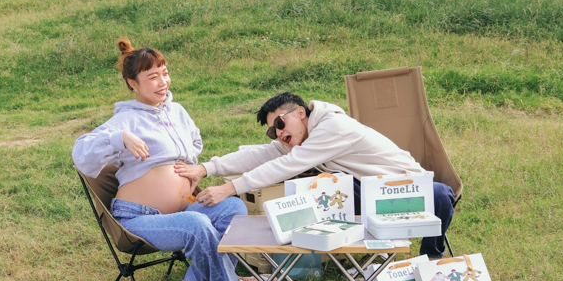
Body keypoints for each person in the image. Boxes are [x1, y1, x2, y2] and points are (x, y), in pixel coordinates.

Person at [72, 39, 258, 281]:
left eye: (165, 73)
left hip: (184, 208)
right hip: (139, 218)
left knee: (234, 208)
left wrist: (191, 168)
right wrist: (120, 138)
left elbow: (195, 141)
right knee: (197, 225)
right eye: (153, 77)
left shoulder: (177, 111)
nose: (163, 82)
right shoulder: (125, 120)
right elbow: (80, 152)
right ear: (133, 83)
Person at [176, 92, 455, 259]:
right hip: (368, 191)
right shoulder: (301, 137)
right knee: (325, 186)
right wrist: (206, 168)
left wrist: (229, 188)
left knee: (440, 194)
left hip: (403, 188)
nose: (279, 133)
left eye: (281, 123)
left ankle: (431, 257)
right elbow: (260, 154)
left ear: (300, 112)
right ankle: (360, 253)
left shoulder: (332, 127)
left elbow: (289, 164)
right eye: (273, 130)